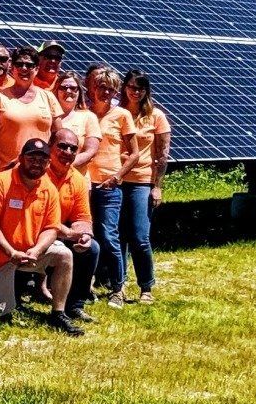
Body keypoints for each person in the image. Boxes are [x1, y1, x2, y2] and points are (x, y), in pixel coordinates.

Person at [0, 138, 84, 335]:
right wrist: (11, 252)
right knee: (0, 312)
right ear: (21, 158)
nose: (36, 163)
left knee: (64, 255)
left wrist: (37, 250)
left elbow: (51, 228)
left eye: (42, 160)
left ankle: (58, 313)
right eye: (32, 158)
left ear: (48, 163)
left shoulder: (49, 189)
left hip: (29, 253)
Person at [115, 69, 170, 305]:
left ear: (146, 91)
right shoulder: (116, 113)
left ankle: (146, 286)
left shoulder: (156, 116)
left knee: (139, 237)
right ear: (124, 88)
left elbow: (162, 155)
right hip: (116, 180)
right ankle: (118, 285)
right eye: (131, 87)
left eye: (140, 88)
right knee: (117, 237)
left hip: (142, 182)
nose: (135, 92)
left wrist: (157, 186)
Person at [81, 65, 131, 299]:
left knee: (109, 236)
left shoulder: (122, 115)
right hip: (84, 185)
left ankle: (118, 287)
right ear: (92, 88)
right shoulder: (84, 113)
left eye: (111, 89)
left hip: (109, 186)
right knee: (86, 237)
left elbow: (135, 153)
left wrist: (118, 176)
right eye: (101, 87)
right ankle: (85, 285)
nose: (106, 92)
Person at [0, 46, 62, 180]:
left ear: (36, 69)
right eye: (19, 64)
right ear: (12, 68)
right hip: (5, 174)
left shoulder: (48, 97)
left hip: (39, 174)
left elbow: (58, 137)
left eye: (29, 65)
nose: (24, 68)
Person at [46, 125, 97, 322]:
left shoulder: (77, 179)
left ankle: (75, 305)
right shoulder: (38, 172)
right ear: (50, 146)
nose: (67, 152)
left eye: (73, 148)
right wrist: (68, 233)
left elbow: (82, 217)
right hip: (32, 232)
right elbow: (40, 218)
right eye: (62, 146)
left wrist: (84, 235)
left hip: (60, 231)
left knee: (91, 249)